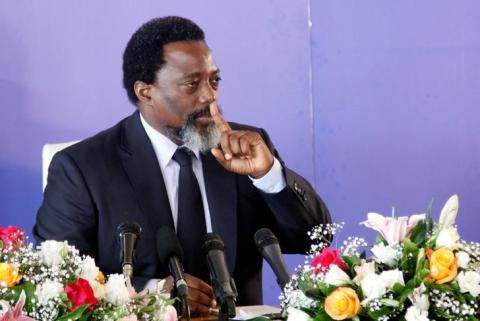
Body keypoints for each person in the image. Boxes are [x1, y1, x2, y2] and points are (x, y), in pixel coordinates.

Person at [34, 16, 331, 315]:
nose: (209, 95)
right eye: (192, 84)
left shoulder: (244, 147)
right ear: (145, 91)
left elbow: (316, 240)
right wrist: (152, 295)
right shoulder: (83, 168)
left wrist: (268, 175)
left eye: (214, 80)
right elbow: (59, 281)